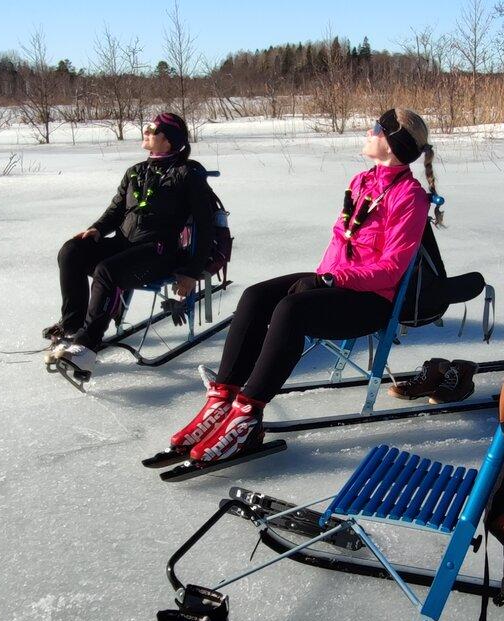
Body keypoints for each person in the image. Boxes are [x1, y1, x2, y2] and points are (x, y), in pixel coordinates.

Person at [169, 108, 438, 465]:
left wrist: (330, 280)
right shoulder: (362, 181)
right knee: (256, 297)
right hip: (334, 283)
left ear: (391, 143)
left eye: (375, 128)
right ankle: (223, 400)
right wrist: (320, 279)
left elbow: (390, 269)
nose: (367, 131)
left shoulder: (410, 196)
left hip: (371, 300)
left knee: (290, 311)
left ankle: (247, 416)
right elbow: (341, 242)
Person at [46, 113, 216, 377]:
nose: (145, 132)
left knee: (107, 270)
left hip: (158, 253)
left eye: (152, 130)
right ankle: (72, 326)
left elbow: (205, 228)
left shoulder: (188, 175)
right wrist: (98, 229)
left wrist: (192, 272)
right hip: (125, 245)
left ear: (169, 140)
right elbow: (115, 211)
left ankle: (86, 347)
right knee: (72, 251)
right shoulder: (135, 171)